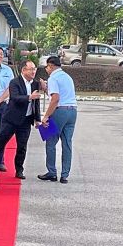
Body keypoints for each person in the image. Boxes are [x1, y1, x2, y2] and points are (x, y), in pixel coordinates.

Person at [0, 60, 45, 179]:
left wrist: (37, 119)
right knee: (1, 142)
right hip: (11, 119)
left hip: (26, 120)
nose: (34, 71)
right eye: (31, 69)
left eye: (35, 69)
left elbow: (36, 102)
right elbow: (15, 98)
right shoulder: (15, 82)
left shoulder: (35, 84)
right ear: (23, 70)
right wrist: (29, 97)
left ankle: (19, 170)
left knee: (22, 147)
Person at [39, 55, 78, 184]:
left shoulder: (53, 78)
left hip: (59, 111)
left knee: (51, 142)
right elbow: (58, 94)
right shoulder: (67, 77)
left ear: (51, 66)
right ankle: (65, 175)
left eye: (47, 67)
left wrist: (46, 116)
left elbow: (55, 99)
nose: (46, 69)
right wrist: (45, 88)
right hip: (72, 111)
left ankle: (52, 172)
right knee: (67, 143)